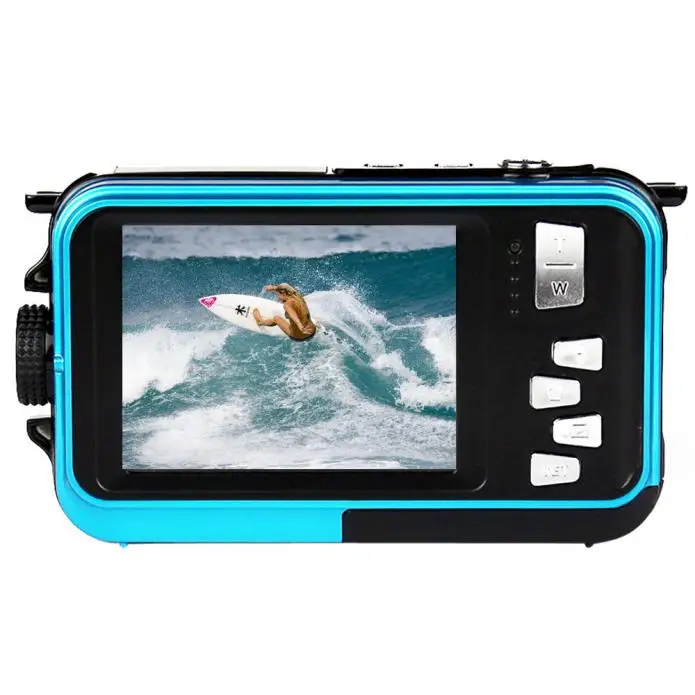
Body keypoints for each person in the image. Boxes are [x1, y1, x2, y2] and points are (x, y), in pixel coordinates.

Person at [253, 283, 317, 342]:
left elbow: (293, 315)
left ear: (283, 294)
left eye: (278, 295)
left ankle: (260, 322)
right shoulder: (299, 297)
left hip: (299, 337)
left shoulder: (287, 305)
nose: (278, 298)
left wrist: (300, 326)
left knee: (276, 318)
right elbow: (287, 289)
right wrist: (274, 288)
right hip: (313, 332)